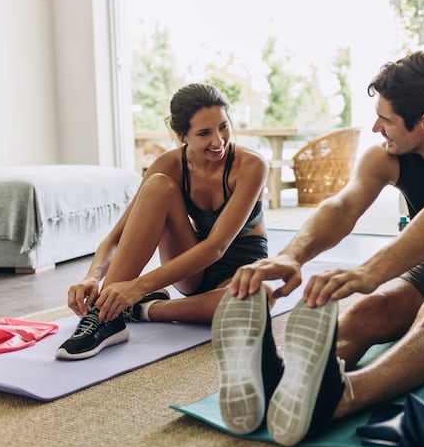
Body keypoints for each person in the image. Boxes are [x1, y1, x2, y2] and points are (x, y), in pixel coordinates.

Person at [210, 51, 424, 446]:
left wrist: (370, 271)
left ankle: (341, 398)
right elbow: (343, 206)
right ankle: (281, 381)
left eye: (385, 119)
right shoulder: (389, 156)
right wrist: (290, 256)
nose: (375, 126)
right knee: (371, 309)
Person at [56, 83, 270, 361]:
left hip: (240, 269)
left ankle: (141, 309)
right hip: (191, 266)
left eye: (223, 126)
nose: (218, 141)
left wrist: (138, 289)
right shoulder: (168, 165)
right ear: (181, 135)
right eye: (204, 133)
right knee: (157, 186)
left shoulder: (251, 165)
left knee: (258, 298)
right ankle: (105, 317)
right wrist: (93, 276)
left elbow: (216, 247)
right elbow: (117, 235)